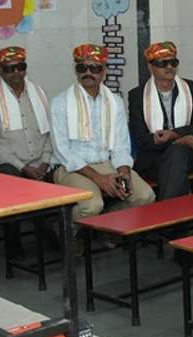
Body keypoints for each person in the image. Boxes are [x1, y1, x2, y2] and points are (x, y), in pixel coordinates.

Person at [51, 44, 155, 226]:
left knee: (145, 196)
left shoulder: (115, 102)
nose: (88, 73)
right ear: (76, 71)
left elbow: (121, 146)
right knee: (92, 205)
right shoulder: (60, 102)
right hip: (72, 168)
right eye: (82, 68)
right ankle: (69, 234)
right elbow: (63, 151)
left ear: (104, 71)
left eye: (95, 68)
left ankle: (107, 227)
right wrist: (99, 179)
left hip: (108, 164)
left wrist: (123, 173)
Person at [127, 41, 193, 200]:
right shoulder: (137, 95)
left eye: (173, 62)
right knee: (175, 167)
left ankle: (165, 211)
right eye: (162, 63)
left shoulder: (191, 88)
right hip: (152, 160)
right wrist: (179, 140)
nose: (169, 67)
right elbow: (142, 139)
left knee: (177, 155)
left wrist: (173, 135)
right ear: (150, 67)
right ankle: (173, 213)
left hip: (188, 156)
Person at [0, 46, 54, 180]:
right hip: (7, 165)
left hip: (40, 165)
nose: (17, 72)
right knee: (11, 176)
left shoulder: (39, 94)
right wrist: (23, 167)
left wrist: (45, 162)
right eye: (10, 69)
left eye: (21, 67)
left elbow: (50, 132)